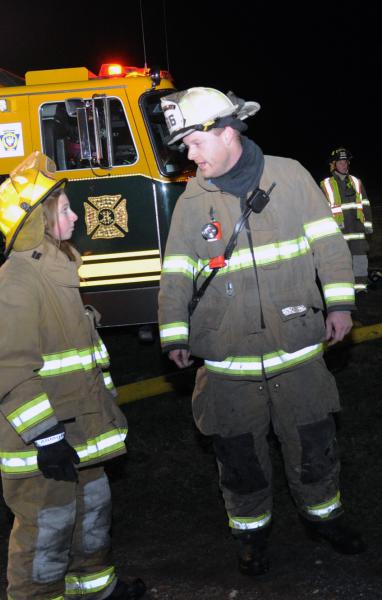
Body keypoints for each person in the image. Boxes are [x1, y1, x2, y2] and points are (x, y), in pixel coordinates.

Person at [158, 88, 366, 576]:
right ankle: (251, 536)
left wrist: (339, 303)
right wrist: (174, 334)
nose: (188, 154)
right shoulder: (193, 200)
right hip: (227, 364)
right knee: (239, 458)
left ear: (226, 132)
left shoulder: (290, 177)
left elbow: (329, 247)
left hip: (297, 350)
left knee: (313, 444)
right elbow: (175, 274)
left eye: (193, 142)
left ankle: (325, 519)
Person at [0, 151, 146, 600]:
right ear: (38, 221)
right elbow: (11, 374)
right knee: (45, 539)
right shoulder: (15, 286)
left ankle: (96, 592)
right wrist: (47, 439)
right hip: (45, 449)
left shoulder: (58, 274)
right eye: (64, 209)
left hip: (80, 439)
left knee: (90, 524)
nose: (74, 216)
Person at [320, 148, 373, 292]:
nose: (344, 165)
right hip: (338, 232)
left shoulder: (356, 182)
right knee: (340, 261)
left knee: (360, 259)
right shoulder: (326, 185)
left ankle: (360, 288)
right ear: (333, 165)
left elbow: (366, 204)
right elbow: (321, 211)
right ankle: (343, 288)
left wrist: (368, 226)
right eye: (340, 162)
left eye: (346, 162)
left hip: (357, 231)